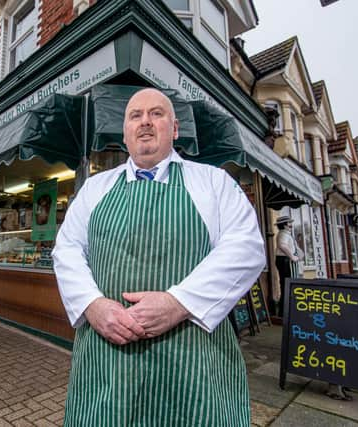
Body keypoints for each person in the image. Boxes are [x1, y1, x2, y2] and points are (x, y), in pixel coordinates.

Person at [52, 88, 266, 426]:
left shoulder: (213, 182)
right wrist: (92, 305)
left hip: (193, 362)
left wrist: (178, 303)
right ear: (124, 132)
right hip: (108, 360)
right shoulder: (95, 189)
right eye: (135, 116)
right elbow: (66, 250)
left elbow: (246, 247)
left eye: (157, 113)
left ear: (175, 128)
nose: (145, 122)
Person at [272, 215, 303, 317]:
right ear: (284, 225)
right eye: (289, 223)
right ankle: (284, 311)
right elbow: (282, 245)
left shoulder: (286, 234)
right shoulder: (283, 234)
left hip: (284, 260)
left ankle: (286, 310)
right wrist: (292, 257)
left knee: (288, 284)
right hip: (285, 261)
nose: (291, 225)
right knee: (288, 284)